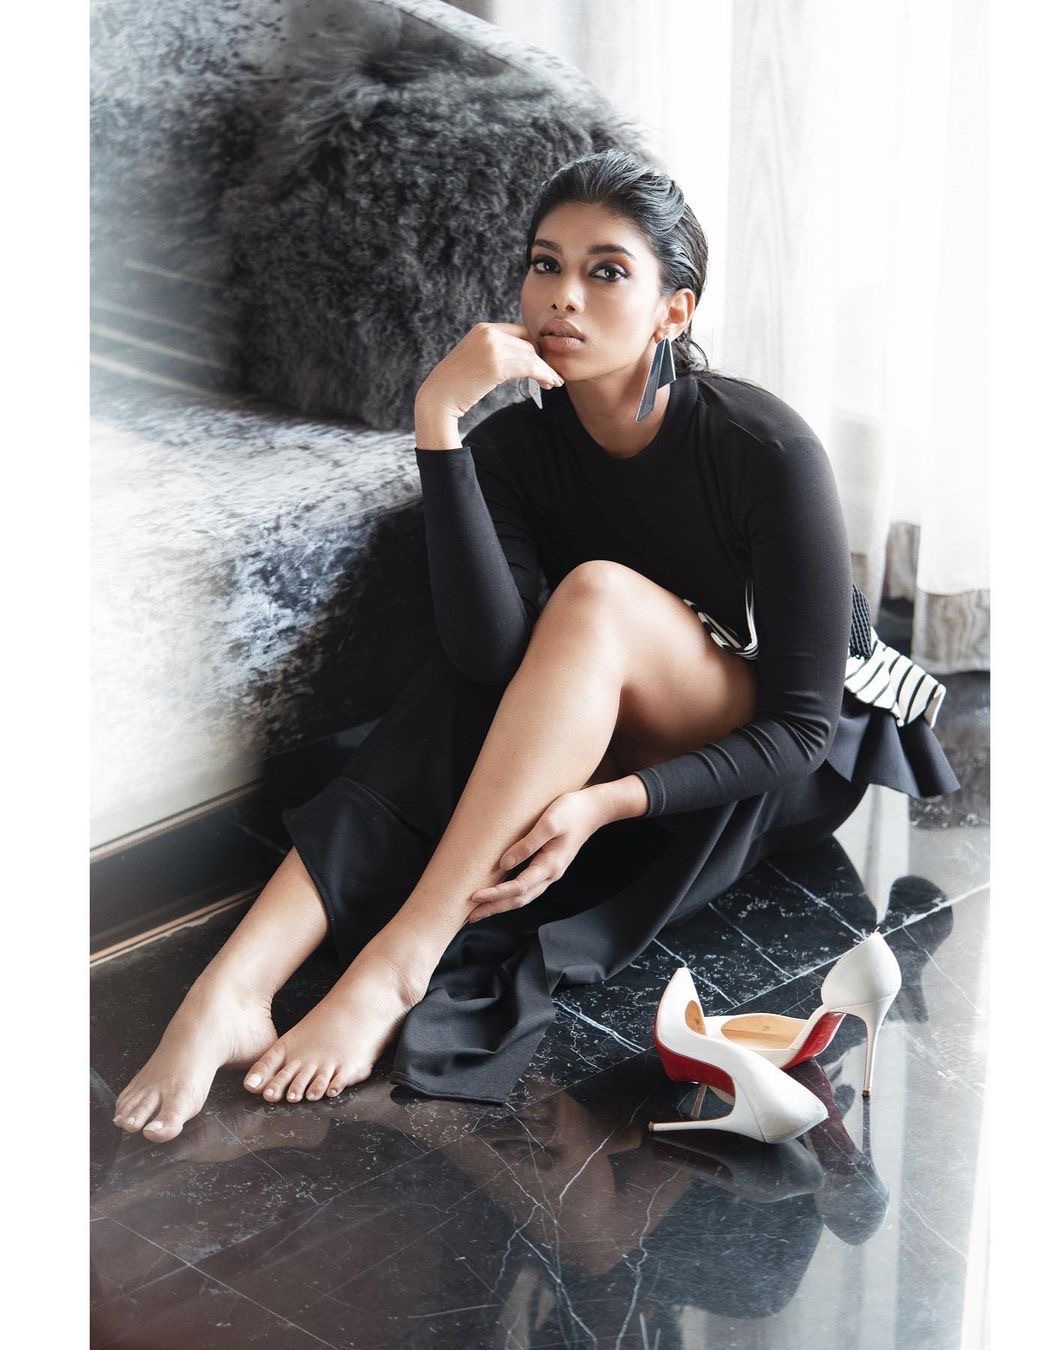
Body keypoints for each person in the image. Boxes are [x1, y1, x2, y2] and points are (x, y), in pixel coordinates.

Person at [112, 149, 957, 1142]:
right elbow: (486, 660)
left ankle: (400, 964)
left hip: (770, 760)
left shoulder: (762, 449)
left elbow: (803, 730)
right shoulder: (516, 447)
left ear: (673, 311)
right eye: (545, 264)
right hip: (618, 701)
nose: (564, 296)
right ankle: (231, 987)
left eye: (607, 272)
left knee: (594, 595)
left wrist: (604, 803)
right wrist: (439, 421)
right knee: (458, 688)